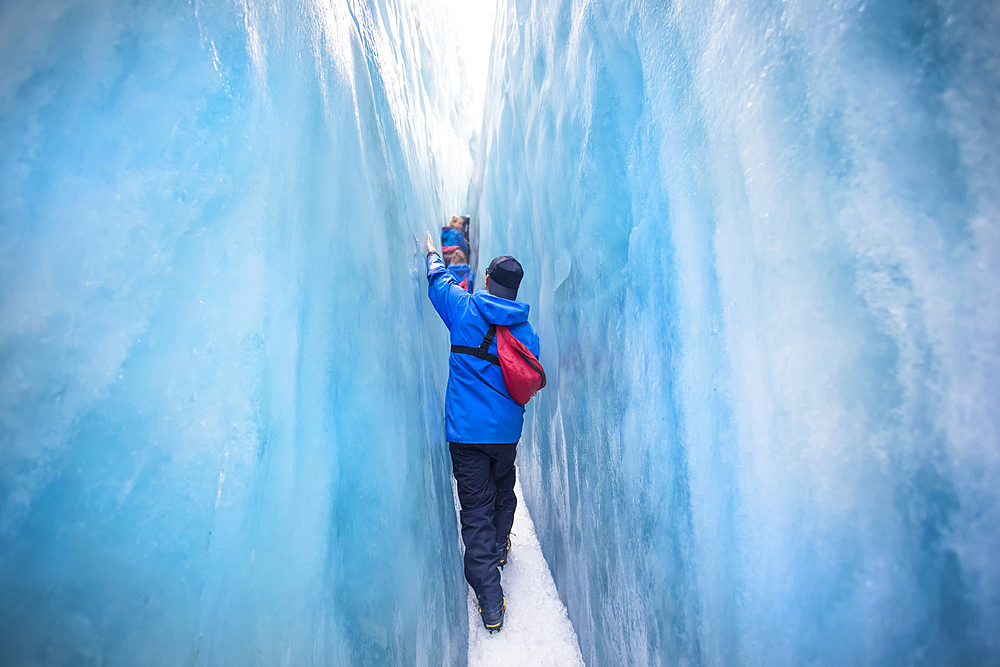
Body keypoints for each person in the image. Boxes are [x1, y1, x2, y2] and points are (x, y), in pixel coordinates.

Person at [424, 229, 539, 634]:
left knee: (475, 511)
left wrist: (432, 255)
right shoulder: (527, 334)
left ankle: (491, 603)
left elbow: (438, 283)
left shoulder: (464, 309)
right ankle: (501, 546)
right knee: (503, 490)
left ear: (487, 281)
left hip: (467, 436)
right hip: (505, 435)